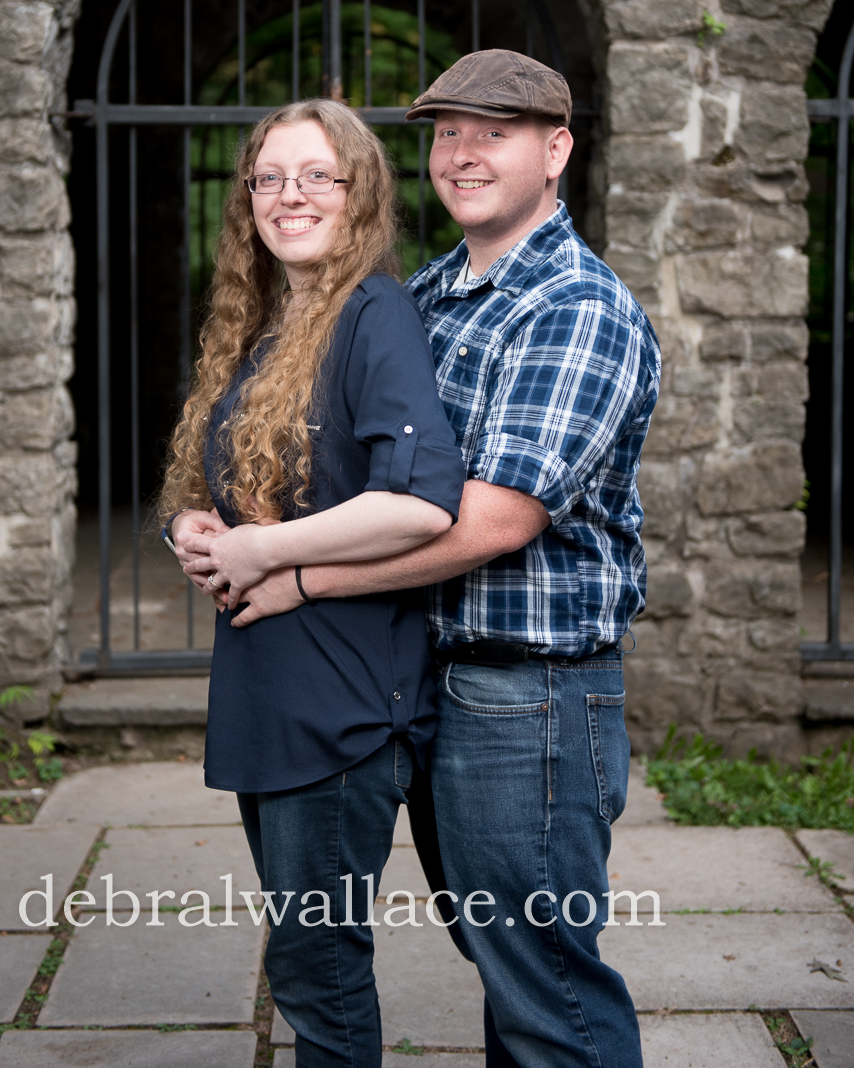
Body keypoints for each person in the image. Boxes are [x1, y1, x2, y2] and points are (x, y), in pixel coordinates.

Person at [223, 52, 662, 1068]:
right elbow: (359, 466)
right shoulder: (431, 293)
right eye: (447, 132)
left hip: (533, 699)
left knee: (543, 973)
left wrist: (296, 576)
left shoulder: (574, 307)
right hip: (435, 684)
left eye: (493, 132)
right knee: (500, 957)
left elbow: (492, 521)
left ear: (555, 151)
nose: (461, 154)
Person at [160, 98, 465, 1068]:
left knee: (317, 972)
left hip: (341, 703)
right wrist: (192, 525)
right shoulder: (263, 325)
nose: (289, 196)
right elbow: (224, 482)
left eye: (315, 177)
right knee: (303, 962)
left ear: (358, 194)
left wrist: (267, 554)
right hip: (272, 688)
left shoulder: (372, 312)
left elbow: (420, 504)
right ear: (245, 197)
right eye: (268, 178)